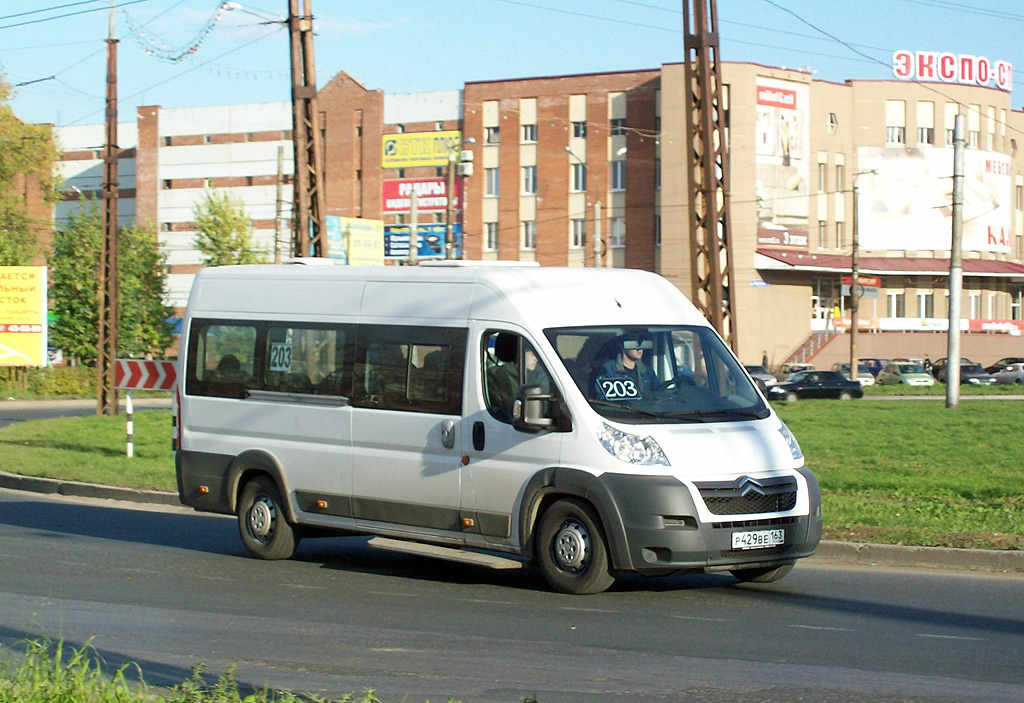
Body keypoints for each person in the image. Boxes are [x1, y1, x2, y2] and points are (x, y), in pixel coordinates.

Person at [594, 334, 659, 401]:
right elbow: (603, 400)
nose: (639, 348)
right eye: (635, 344)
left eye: (642, 343)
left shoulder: (648, 372)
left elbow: (658, 394)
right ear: (622, 346)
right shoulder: (608, 370)